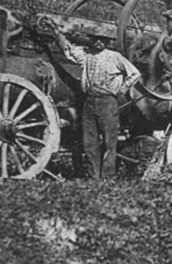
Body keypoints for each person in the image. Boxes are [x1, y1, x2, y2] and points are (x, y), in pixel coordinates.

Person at [51, 24, 141, 179]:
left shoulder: (114, 57)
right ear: (91, 41)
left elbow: (134, 74)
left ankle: (107, 177)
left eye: (103, 40)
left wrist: (122, 90)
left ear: (107, 42)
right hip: (89, 102)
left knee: (109, 142)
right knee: (89, 142)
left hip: (107, 102)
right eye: (96, 40)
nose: (99, 43)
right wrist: (56, 32)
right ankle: (94, 177)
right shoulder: (87, 56)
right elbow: (68, 50)